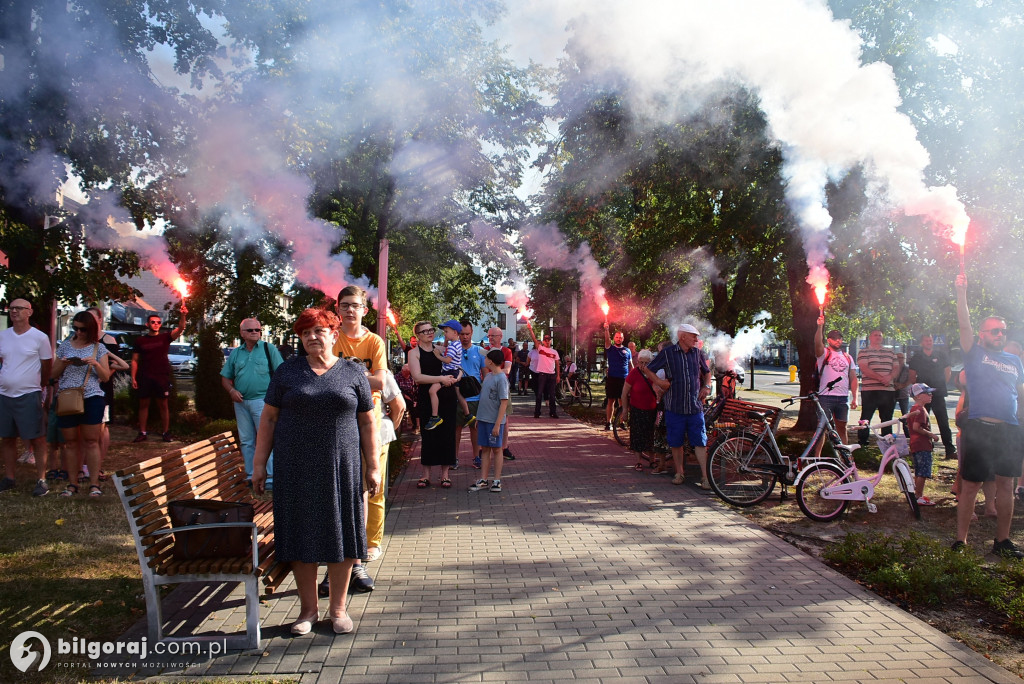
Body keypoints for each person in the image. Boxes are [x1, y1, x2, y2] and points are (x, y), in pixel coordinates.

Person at [251, 308, 379, 635]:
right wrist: (258, 465)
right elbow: (268, 419)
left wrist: (373, 466)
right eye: (305, 332)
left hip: (342, 469)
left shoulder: (352, 372)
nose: (311, 337)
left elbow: (367, 421)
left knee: (342, 537)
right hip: (296, 469)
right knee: (301, 535)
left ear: (334, 335)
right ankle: (308, 611)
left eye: (318, 331)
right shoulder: (287, 372)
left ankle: (338, 610)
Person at [953, 272, 1024, 558]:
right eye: (994, 330)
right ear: (982, 334)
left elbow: (1020, 393)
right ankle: (961, 541)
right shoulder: (975, 353)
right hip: (980, 428)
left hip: (1009, 429)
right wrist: (961, 293)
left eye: (1002, 331)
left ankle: (1002, 541)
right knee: (971, 485)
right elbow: (963, 323)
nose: (999, 334)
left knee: (1006, 483)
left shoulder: (1015, 360)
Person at [332, 286, 388, 590]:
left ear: (364, 310)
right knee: (340, 489)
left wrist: (344, 373)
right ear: (337, 308)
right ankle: (338, 560)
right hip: (336, 421)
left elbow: (380, 379)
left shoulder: (373, 341)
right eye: (345, 305)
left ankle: (365, 549)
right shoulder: (330, 337)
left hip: (368, 420)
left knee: (369, 485)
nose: (350, 310)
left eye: (355, 305)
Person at [640, 323, 712, 488]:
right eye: (693, 336)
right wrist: (659, 382)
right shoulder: (668, 353)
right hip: (675, 407)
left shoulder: (697, 353)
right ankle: (679, 473)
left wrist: (706, 386)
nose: (696, 339)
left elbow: (707, 372)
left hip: (695, 407)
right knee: (676, 442)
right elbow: (649, 369)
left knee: (700, 442)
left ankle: (705, 477)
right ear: (683, 336)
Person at [51, 311, 112, 497]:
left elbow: (106, 377)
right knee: (70, 443)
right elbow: (52, 375)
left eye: (82, 329)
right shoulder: (64, 346)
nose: (78, 332)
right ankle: (72, 484)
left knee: (92, 441)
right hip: (68, 397)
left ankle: (94, 485)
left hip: (92, 397)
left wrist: (95, 364)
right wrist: (63, 363)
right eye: (75, 328)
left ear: (90, 329)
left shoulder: (98, 348)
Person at [220, 318, 284, 488]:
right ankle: (251, 475)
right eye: (250, 330)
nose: (255, 332)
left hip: (263, 402)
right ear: (242, 333)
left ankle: (271, 477)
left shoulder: (268, 349)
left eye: (258, 329)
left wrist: (275, 399)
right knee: (246, 440)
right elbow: (225, 378)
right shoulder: (236, 353)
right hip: (241, 403)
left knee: (266, 438)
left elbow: (281, 375)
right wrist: (232, 391)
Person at [0, 298, 52, 496]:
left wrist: (42, 386)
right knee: (7, 437)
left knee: (37, 438)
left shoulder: (39, 337)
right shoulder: (3, 336)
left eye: (19, 308)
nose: (14, 311)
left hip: (29, 393)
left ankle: (41, 479)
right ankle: (9, 477)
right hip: (4, 394)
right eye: (11, 308)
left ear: (29, 312)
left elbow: (47, 364)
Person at [409, 320, 459, 488]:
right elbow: (417, 377)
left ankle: (445, 475)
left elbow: (456, 365)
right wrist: (441, 379)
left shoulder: (441, 350)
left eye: (431, 329)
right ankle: (426, 475)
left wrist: (454, 378)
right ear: (418, 336)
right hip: (426, 397)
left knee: (447, 434)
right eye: (425, 331)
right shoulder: (414, 352)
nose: (430, 333)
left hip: (446, 396)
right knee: (428, 435)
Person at [86, 306, 130, 480]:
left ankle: (98, 465)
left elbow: (113, 366)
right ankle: (84, 465)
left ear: (99, 319)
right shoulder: (81, 339)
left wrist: (101, 377)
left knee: (102, 427)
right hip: (84, 389)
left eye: (90, 318)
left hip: (102, 388)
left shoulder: (108, 340)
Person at [131, 308, 187, 442]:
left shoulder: (165, 337)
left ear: (160, 324)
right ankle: (142, 432)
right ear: (147, 324)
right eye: (153, 322)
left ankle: (166, 432)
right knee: (143, 405)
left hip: (161, 376)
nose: (156, 324)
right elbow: (134, 360)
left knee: (163, 405)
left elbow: (180, 328)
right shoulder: (140, 341)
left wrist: (183, 315)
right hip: (145, 376)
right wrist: (133, 377)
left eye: (158, 322)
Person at [811, 317, 858, 458]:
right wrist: (819, 327)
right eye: (835, 338)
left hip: (843, 398)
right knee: (821, 428)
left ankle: (845, 459)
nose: (838, 340)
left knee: (842, 428)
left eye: (840, 338)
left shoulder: (848, 357)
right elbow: (817, 343)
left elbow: (853, 377)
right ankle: (816, 459)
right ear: (829, 340)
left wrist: (855, 397)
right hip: (826, 396)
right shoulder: (824, 353)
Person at [468, 349, 511, 493]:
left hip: (494, 421)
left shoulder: (501, 378)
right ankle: (484, 479)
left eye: (486, 358)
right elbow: (483, 399)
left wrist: (498, 424)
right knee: (485, 449)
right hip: (484, 419)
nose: (484, 360)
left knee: (497, 450)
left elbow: (504, 402)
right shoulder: (488, 377)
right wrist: (479, 418)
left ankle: (497, 481)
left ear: (491, 361)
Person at [908, 334, 956, 458]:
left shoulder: (941, 355)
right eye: (926, 340)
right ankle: (927, 449)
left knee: (943, 422)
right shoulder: (916, 357)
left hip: (938, 393)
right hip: (922, 396)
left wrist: (941, 384)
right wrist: (919, 391)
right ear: (921, 343)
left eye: (930, 340)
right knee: (923, 422)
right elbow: (912, 375)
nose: (929, 342)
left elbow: (947, 371)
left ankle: (950, 450)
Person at [856, 329, 898, 446]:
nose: (878, 337)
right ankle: (863, 442)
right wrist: (881, 378)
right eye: (875, 335)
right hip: (870, 390)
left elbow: (896, 368)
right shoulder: (864, 352)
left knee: (887, 418)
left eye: (880, 335)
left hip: (888, 390)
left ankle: (887, 442)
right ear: (870, 337)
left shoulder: (890, 352)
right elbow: (864, 368)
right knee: (866, 417)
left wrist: (889, 377)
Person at [425, 320, 469, 430]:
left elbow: (448, 360)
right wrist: (445, 341)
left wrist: (437, 355)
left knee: (432, 391)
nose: (444, 334)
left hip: (448, 373)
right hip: (454, 371)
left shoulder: (453, 346)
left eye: (446, 332)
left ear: (454, 332)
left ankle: (435, 416)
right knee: (459, 394)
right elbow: (446, 350)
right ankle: (468, 415)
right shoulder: (455, 344)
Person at [453, 321, 485, 469]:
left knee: (475, 428)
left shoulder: (479, 351)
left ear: (472, 333)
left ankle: (476, 457)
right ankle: (454, 458)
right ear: (457, 334)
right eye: (462, 334)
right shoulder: (452, 351)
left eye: (467, 334)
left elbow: (485, 375)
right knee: (456, 429)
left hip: (475, 397)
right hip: (457, 396)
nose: (465, 337)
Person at [621, 349, 658, 471]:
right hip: (637, 409)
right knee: (637, 436)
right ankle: (638, 461)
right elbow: (624, 393)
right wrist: (625, 410)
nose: (643, 365)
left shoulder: (654, 373)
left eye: (646, 363)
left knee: (652, 435)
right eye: (641, 362)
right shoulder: (634, 373)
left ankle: (652, 460)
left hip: (652, 409)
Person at [484, 327, 516, 460]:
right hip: (487, 386)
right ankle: (483, 448)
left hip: (502, 386)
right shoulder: (485, 351)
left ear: (500, 337)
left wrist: (493, 372)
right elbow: (484, 371)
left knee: (505, 418)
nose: (490, 338)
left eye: (493, 335)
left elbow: (507, 370)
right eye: (489, 335)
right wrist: (496, 371)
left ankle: (504, 447)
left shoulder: (506, 351)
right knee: (485, 418)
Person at [905, 383, 939, 506]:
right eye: (927, 393)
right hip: (922, 444)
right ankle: (918, 496)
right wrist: (931, 435)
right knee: (923, 472)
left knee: (919, 470)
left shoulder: (914, 408)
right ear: (918, 396)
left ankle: (916, 494)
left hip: (916, 444)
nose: (931, 395)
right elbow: (916, 427)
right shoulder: (919, 410)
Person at [524, 321, 560, 419]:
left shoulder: (554, 352)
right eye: (545, 340)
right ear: (543, 341)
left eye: (549, 340)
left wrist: (558, 375)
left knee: (552, 395)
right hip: (542, 374)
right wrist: (530, 329)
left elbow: (557, 364)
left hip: (552, 375)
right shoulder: (540, 349)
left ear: (551, 341)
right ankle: (537, 412)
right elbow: (534, 339)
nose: (547, 341)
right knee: (539, 394)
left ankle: (553, 412)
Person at [603, 323, 632, 430]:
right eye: (617, 337)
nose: (618, 339)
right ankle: (608, 422)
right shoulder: (610, 348)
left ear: (623, 339)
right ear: (614, 338)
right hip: (612, 378)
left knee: (623, 401)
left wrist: (634, 375)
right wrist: (606, 330)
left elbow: (630, 365)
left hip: (624, 379)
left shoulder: (627, 351)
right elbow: (607, 340)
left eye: (620, 337)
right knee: (611, 400)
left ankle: (621, 422)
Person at [396, 364, 418, 431]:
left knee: (415, 406)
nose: (408, 375)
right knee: (409, 404)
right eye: (406, 373)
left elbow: (415, 388)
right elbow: (397, 390)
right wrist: (406, 396)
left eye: (409, 373)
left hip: (411, 395)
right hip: (401, 396)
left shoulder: (412, 377)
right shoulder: (397, 377)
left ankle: (416, 426)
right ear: (402, 371)